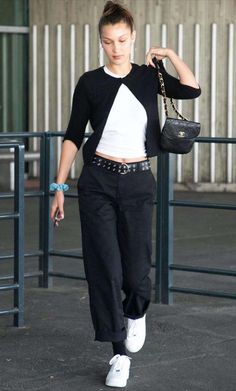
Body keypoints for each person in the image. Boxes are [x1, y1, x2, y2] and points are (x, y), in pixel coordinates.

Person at [50, 0, 201, 387]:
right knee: (104, 268)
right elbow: (72, 136)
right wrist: (60, 186)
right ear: (100, 42)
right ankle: (118, 352)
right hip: (97, 180)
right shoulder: (90, 83)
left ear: (132, 37)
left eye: (121, 39)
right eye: (107, 41)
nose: (115, 48)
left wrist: (168, 55)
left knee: (136, 271)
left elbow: (193, 88)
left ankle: (136, 313)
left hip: (137, 181)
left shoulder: (150, 76)